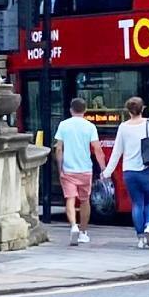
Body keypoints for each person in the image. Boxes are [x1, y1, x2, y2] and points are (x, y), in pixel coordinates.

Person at [102, 97, 149, 249]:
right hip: (147, 170)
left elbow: (117, 153)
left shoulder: (123, 127)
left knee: (137, 204)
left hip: (129, 172)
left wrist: (107, 172)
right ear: (142, 109)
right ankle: (148, 226)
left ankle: (140, 239)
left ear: (128, 111)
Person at [55, 98, 107, 246]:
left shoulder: (63, 125)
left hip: (68, 169)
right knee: (85, 200)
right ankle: (83, 232)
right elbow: (97, 149)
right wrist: (103, 168)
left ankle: (73, 226)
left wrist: (60, 167)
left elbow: (58, 148)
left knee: (70, 199)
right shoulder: (90, 126)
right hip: (85, 169)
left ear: (71, 110)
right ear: (85, 111)